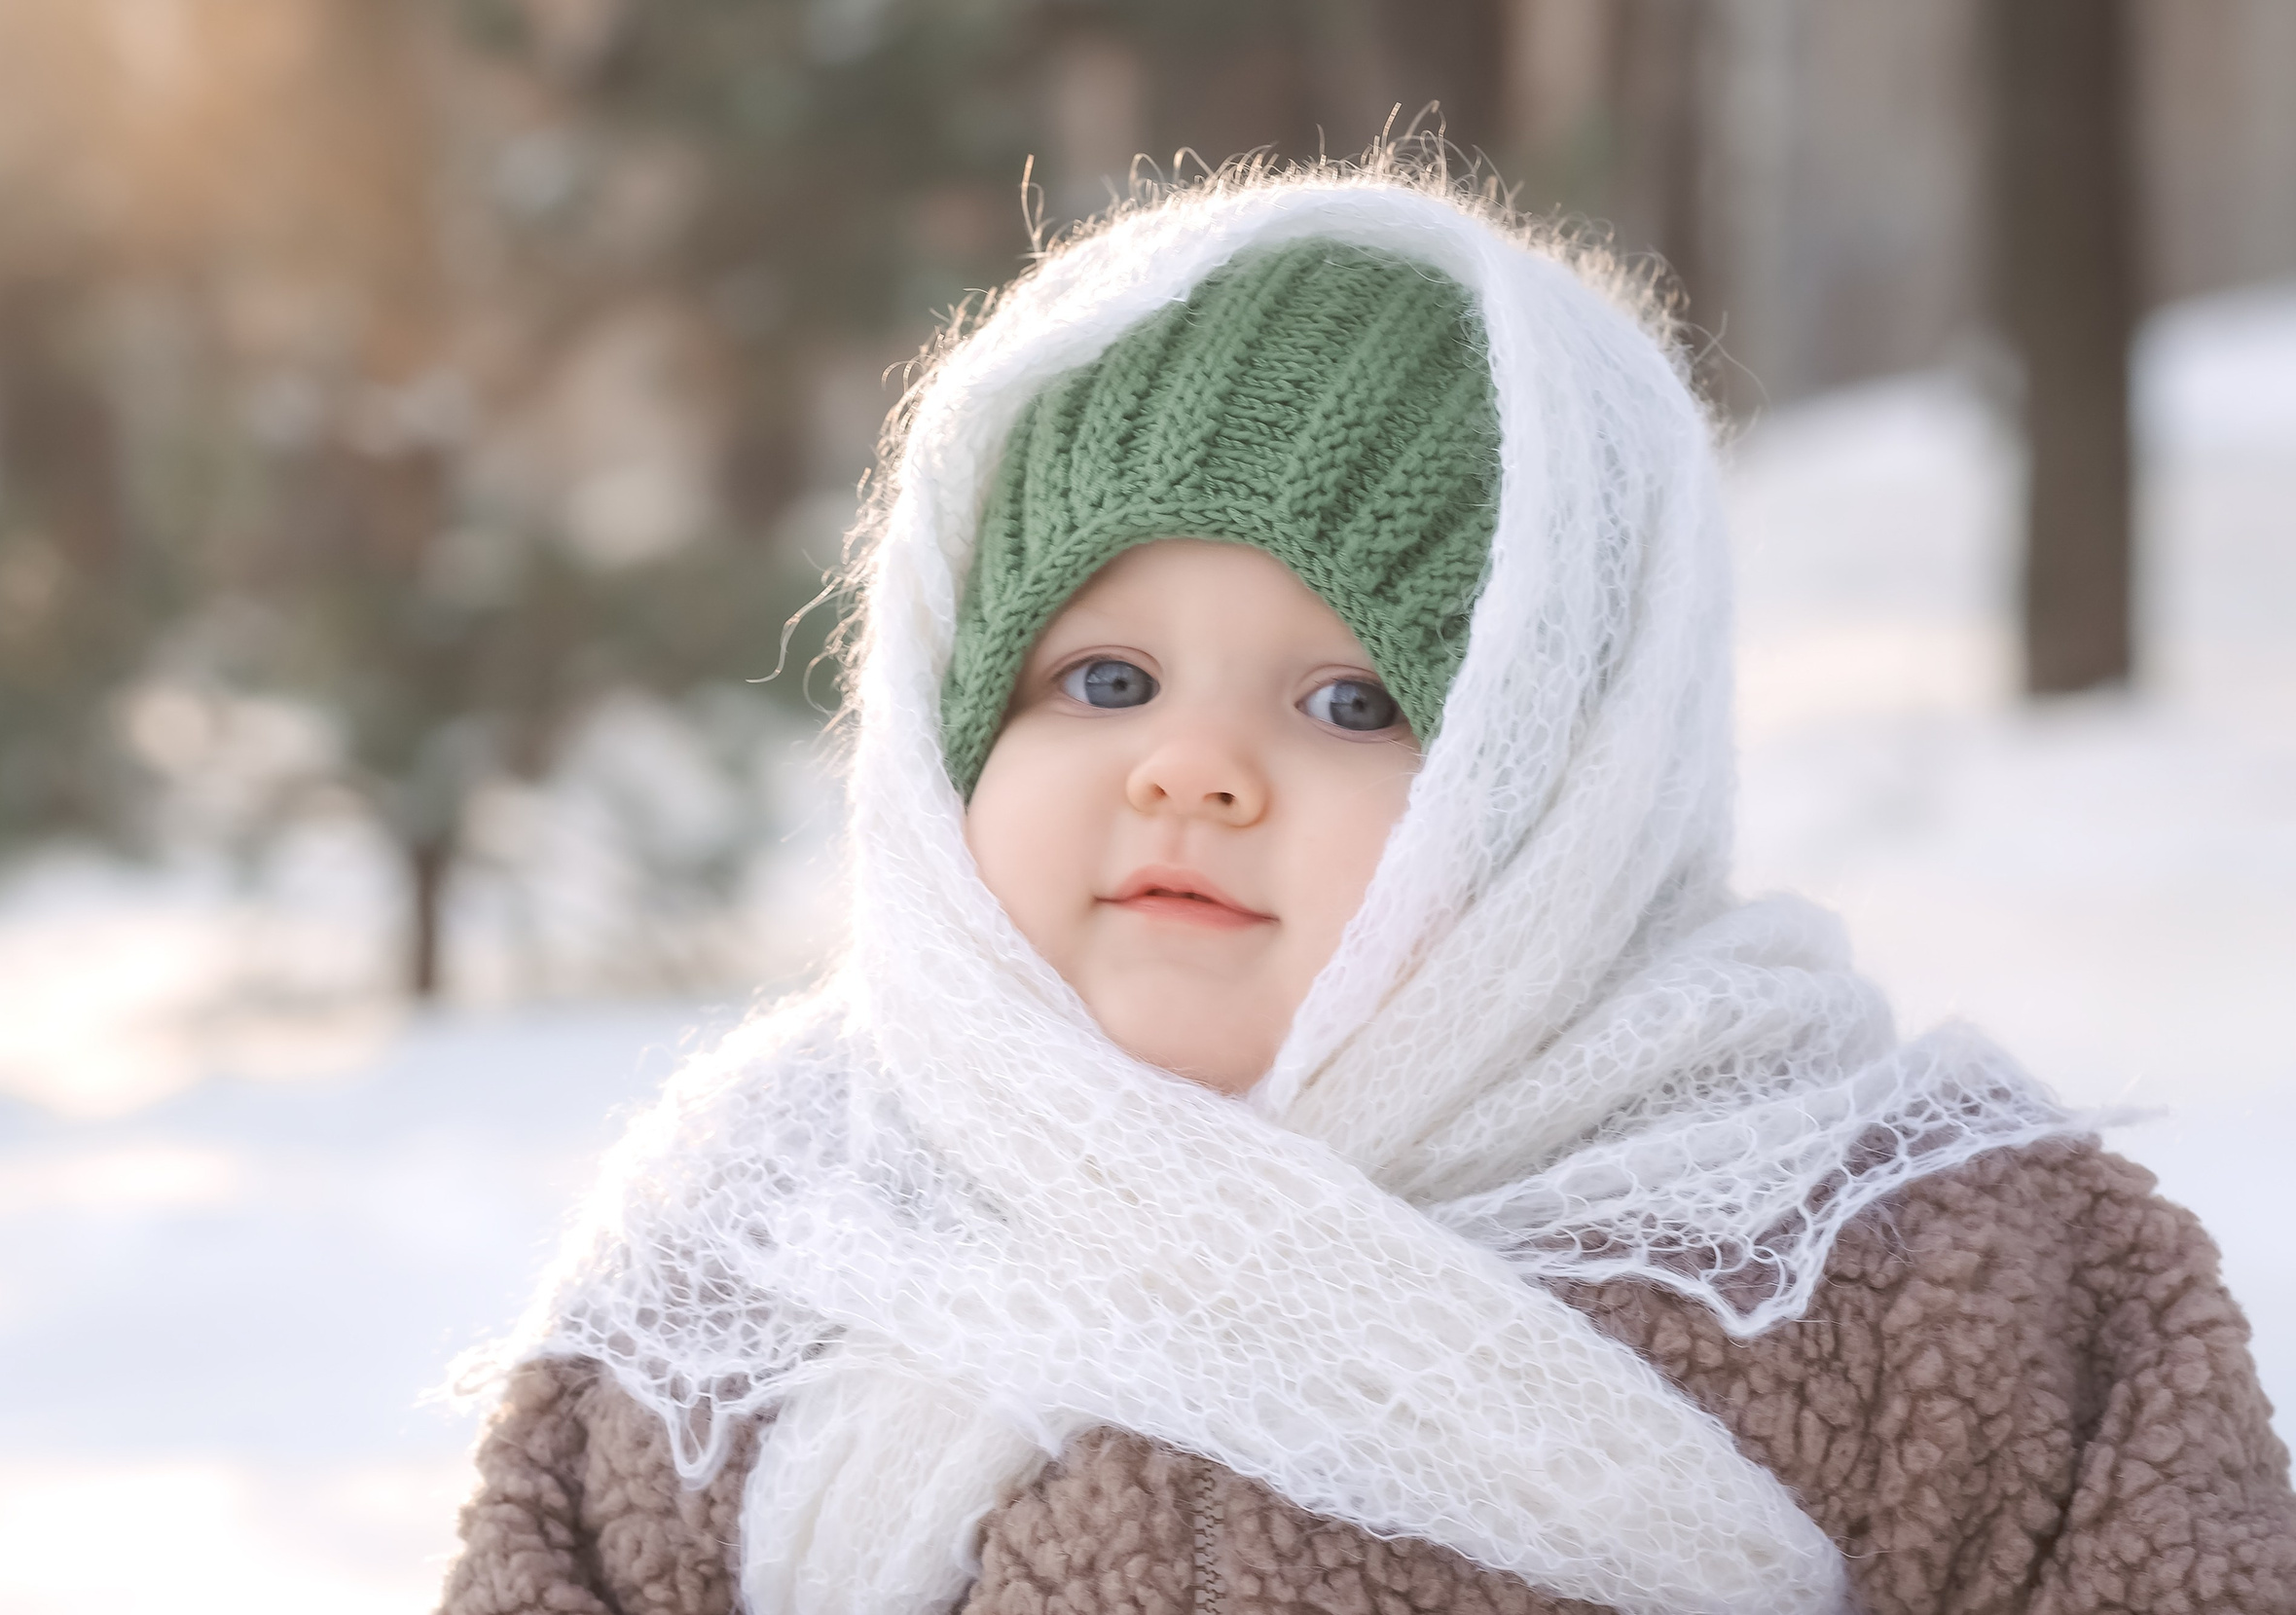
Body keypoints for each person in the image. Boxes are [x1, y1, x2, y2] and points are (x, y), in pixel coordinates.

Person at [435, 163, 2296, 1615]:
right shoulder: (760, 1248)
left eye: (1352, 702)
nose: (1192, 768)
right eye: (1103, 681)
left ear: (1567, 800)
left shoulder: (1896, 1260)